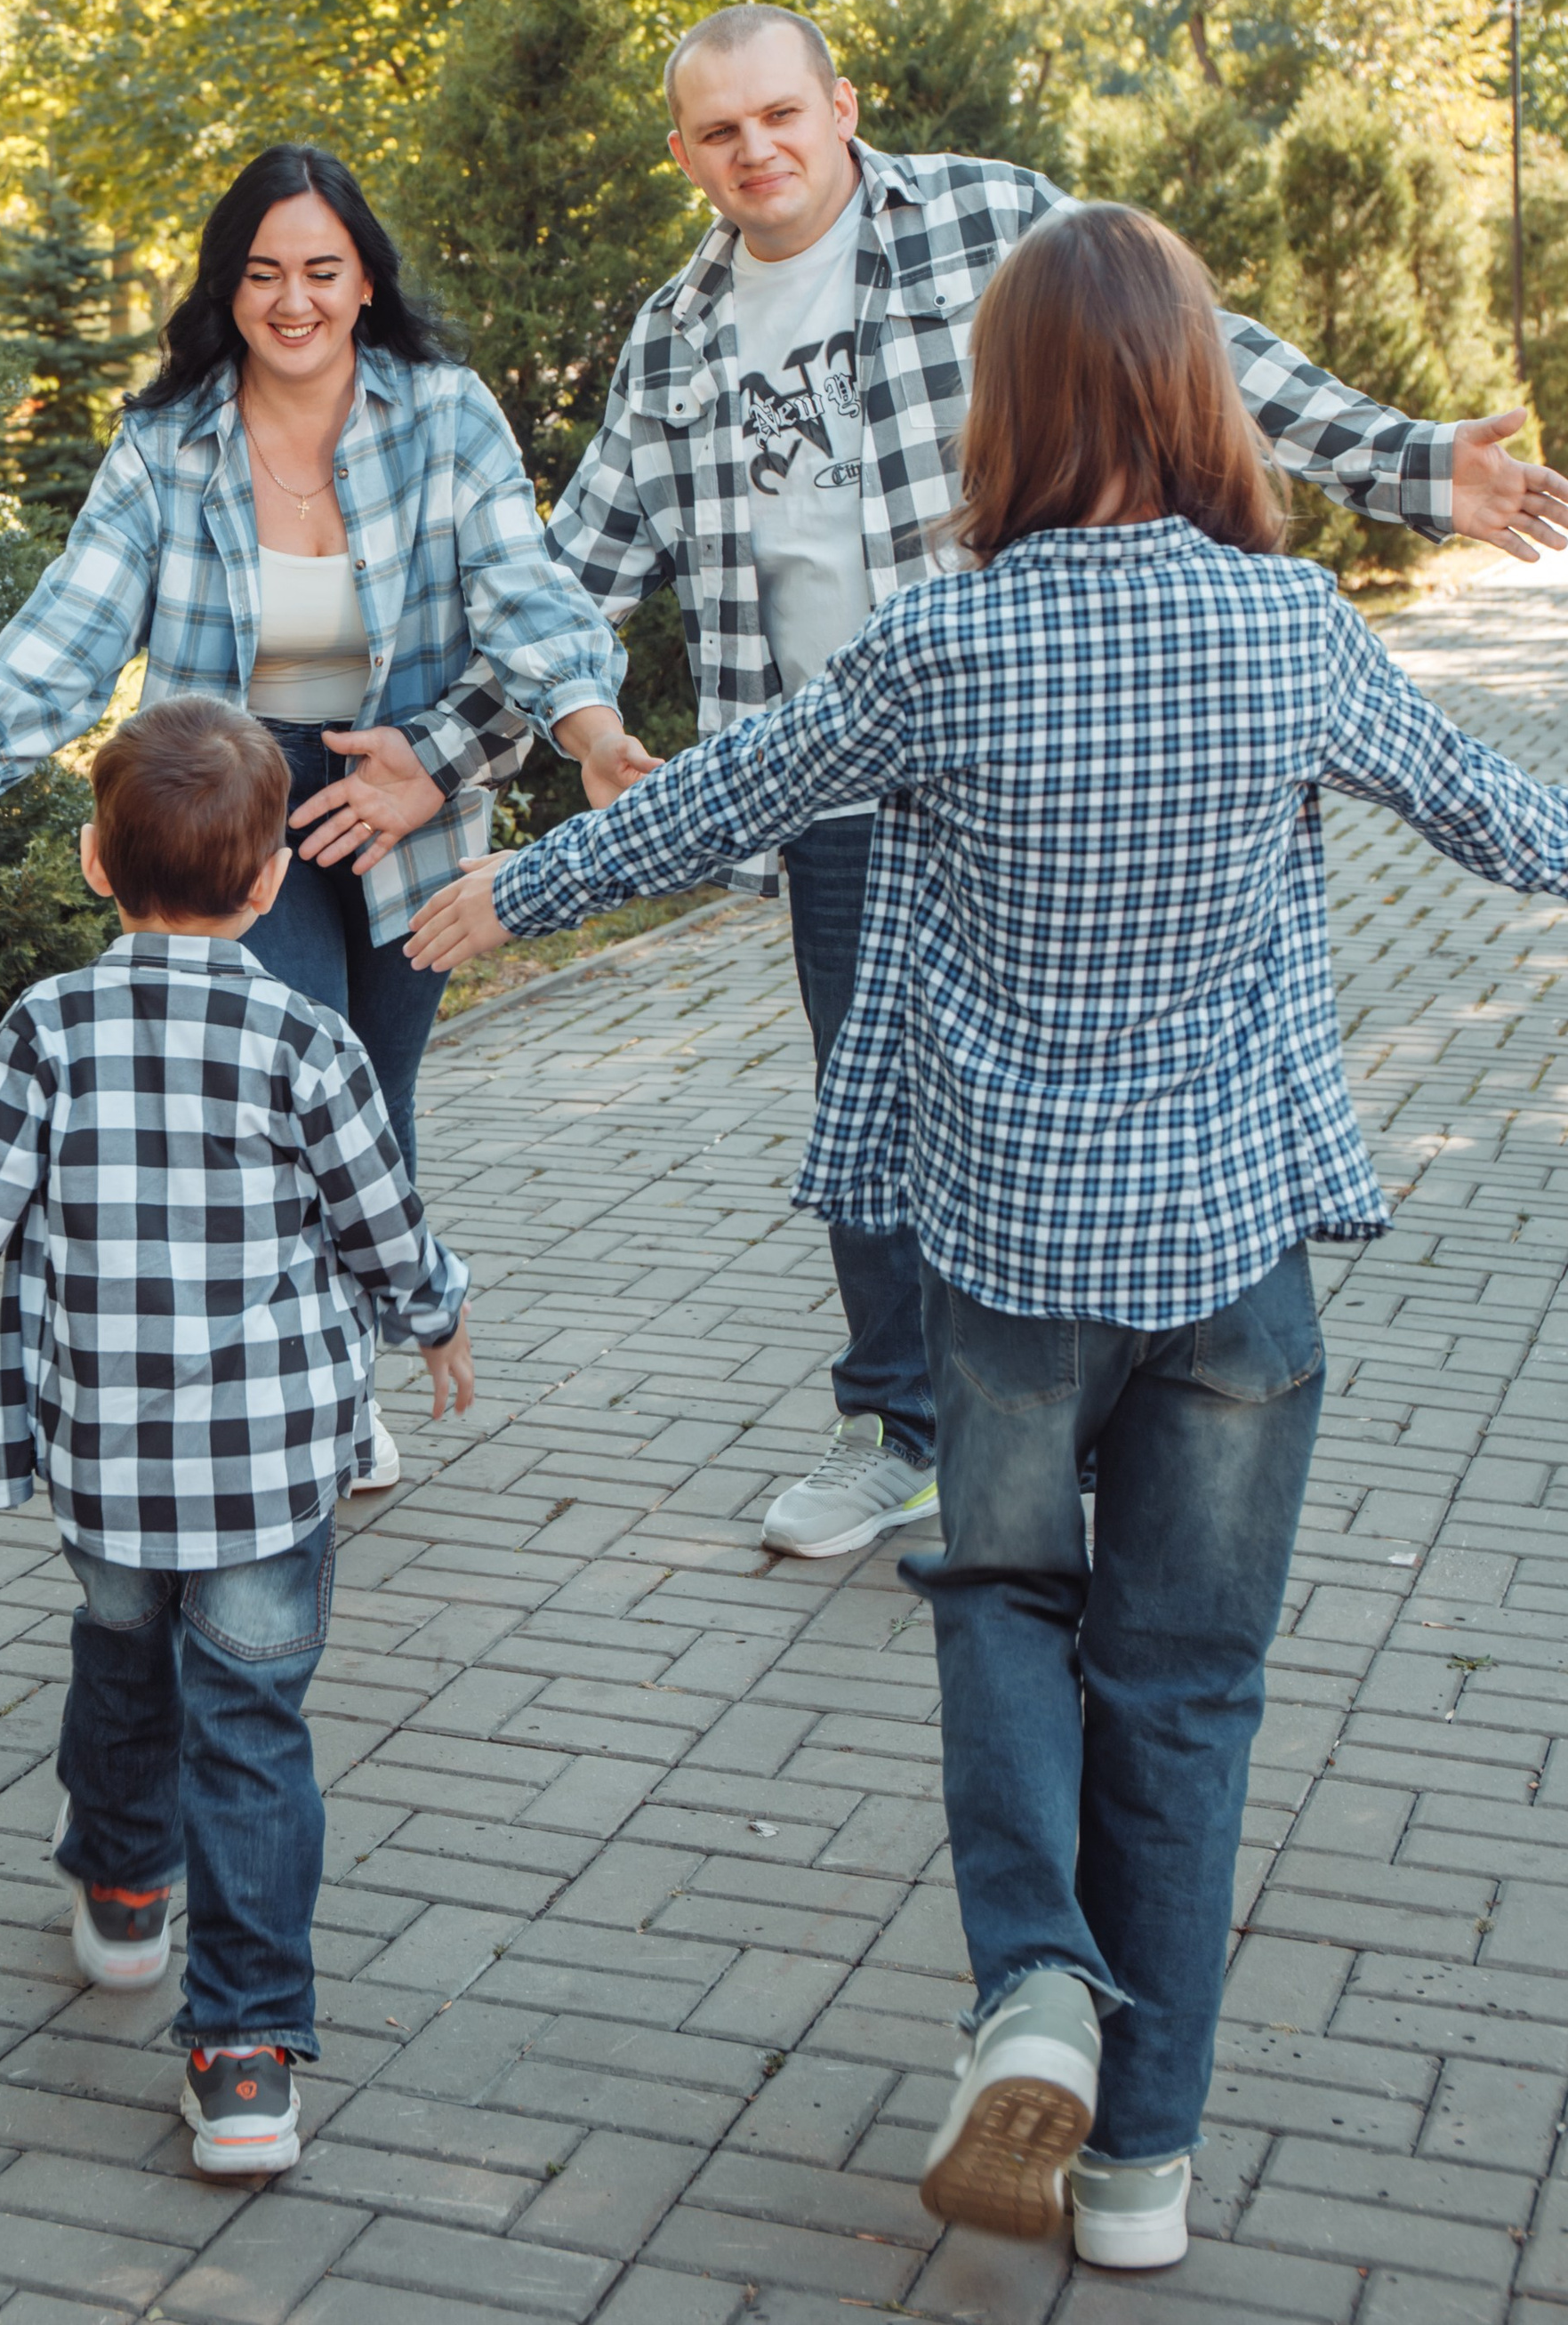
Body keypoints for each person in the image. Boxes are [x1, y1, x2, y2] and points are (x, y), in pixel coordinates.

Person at [409, 203, 1568, 2274]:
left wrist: (516, 889)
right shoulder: (1287, 631)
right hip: (1231, 1267)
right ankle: (1141, 2171)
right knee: (1189, 1691)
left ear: (1003, 403)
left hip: (1010, 1261)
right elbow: (1512, 829)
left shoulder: (942, 644)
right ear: (1196, 394)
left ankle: (1030, 1985)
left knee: (1004, 1600)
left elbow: (722, 797)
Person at [499, 4, 1568, 1563]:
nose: (759, 150)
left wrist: (1407, 463)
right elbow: (568, 574)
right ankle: (908, 1431)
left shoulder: (994, 219)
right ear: (688, 155)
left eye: (782, 114)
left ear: (841, 106)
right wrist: (457, 745)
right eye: (721, 132)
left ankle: (1078, 1404)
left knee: (1068, 1073)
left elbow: (1190, 345)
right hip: (830, 767)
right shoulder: (676, 338)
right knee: (870, 1105)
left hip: (1035, 728)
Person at [0, 141, 650, 1486]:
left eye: (323, 271)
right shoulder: (170, 443)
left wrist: (589, 730)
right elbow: (71, 630)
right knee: (262, 1103)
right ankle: (290, 1414)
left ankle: (333, 1377)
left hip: (408, 796)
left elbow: (524, 598)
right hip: (231, 805)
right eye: (264, 273)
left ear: (367, 282)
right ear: (227, 289)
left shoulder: (446, 415)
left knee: (365, 1111)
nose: (294, 302)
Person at [0, 697, 475, 2179]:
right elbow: (381, 1220)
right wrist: (436, 1319)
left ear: (96, 864)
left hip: (104, 1460)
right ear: (274, 880)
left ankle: (116, 1883)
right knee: (253, 1733)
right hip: (274, 1469)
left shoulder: (50, 1028)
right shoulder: (312, 1040)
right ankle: (241, 2058)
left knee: (117, 1653)